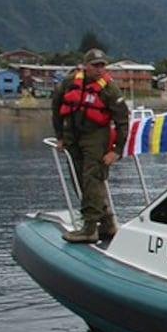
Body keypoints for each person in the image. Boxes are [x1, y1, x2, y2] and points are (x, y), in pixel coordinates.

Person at [51, 48, 130, 243]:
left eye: (102, 65)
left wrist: (117, 151)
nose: (99, 69)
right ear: (85, 66)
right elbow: (56, 107)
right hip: (72, 137)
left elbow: (122, 122)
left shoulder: (110, 90)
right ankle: (108, 223)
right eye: (95, 65)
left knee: (91, 179)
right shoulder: (70, 83)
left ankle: (89, 228)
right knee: (78, 181)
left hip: (96, 138)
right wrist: (60, 136)